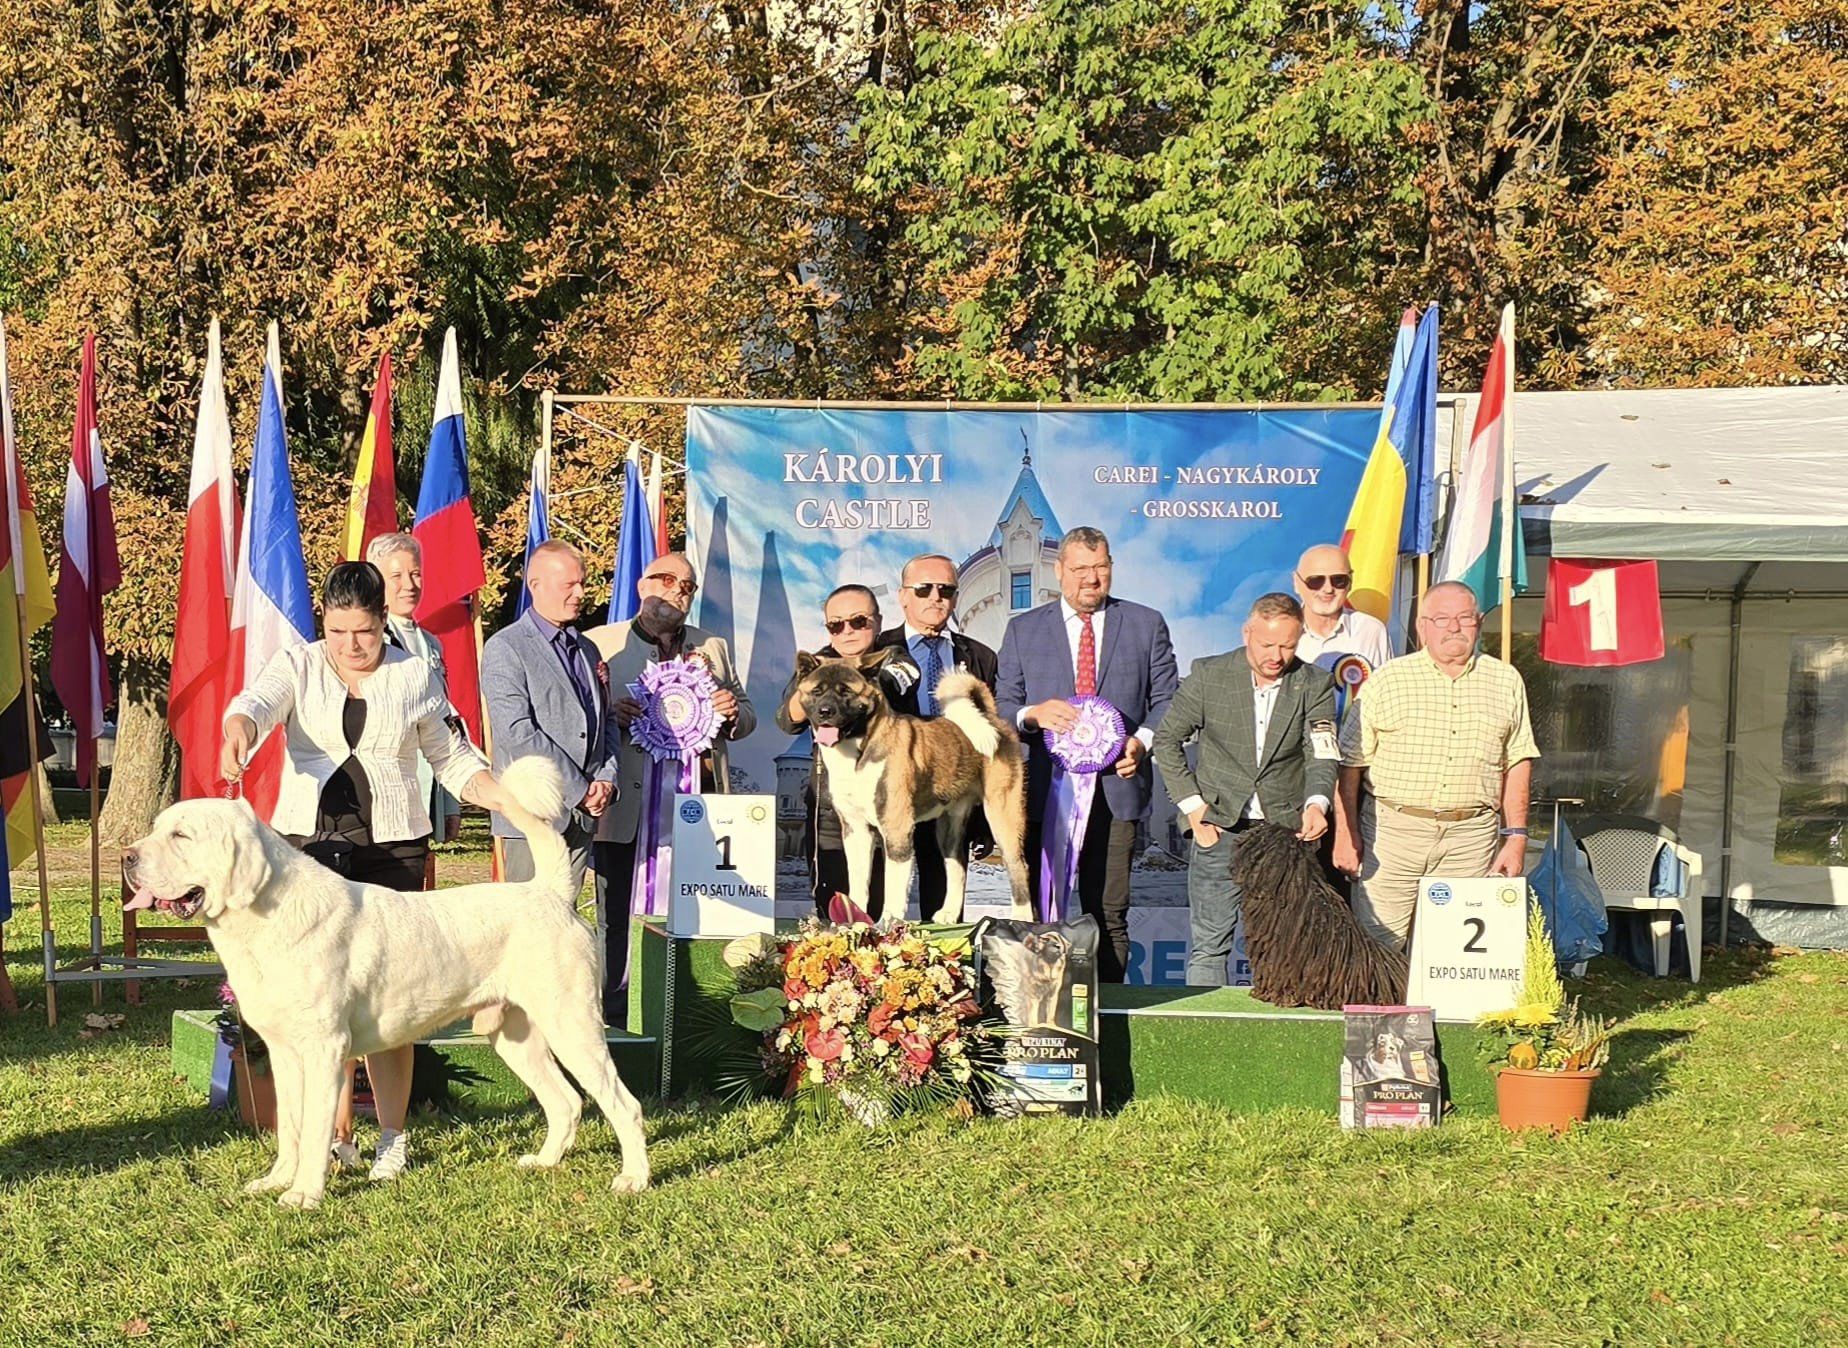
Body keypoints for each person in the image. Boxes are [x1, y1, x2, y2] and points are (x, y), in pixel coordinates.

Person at [221, 561, 509, 1181]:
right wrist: (239, 730)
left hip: (392, 848)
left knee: (391, 998)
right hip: (308, 852)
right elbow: (255, 705)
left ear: (385, 621)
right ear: (323, 620)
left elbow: (450, 753)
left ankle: (392, 1134)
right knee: (314, 1002)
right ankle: (332, 1137)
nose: (352, 645)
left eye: (366, 632)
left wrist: (497, 792)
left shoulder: (416, 674)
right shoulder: (297, 663)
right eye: (339, 631)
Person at [996, 526, 1179, 980]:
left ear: (1111, 568)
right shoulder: (1022, 630)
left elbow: (1170, 699)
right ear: (1059, 571)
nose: (1090, 579)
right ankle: (1037, 1019)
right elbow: (1000, 706)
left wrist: (1143, 741)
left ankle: (1109, 1019)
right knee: (1041, 915)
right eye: (1080, 569)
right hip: (1045, 795)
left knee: (1109, 914)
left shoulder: (1145, 623)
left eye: (1100, 568)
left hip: (1118, 792)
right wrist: (1032, 714)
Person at [585, 552, 754, 1024]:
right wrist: (609, 715)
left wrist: (731, 711)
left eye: (688, 585)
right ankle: (616, 1015)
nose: (678, 589)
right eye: (667, 579)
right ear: (642, 586)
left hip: (699, 813)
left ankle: (692, 1016)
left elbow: (748, 715)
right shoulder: (600, 643)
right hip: (626, 810)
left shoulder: (712, 646)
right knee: (615, 918)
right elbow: (580, 721)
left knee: (700, 916)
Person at [1332, 581, 1541, 951]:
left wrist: (1516, 837)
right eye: (1441, 618)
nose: (1454, 627)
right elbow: (1350, 765)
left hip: (1470, 838)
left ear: (1478, 622)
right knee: (1378, 947)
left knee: (1452, 956)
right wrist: (1346, 833)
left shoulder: (1506, 680)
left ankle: (1440, 1012)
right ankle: (1379, 1011)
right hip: (1393, 834)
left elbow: (1518, 760)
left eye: (1464, 617)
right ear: (1421, 626)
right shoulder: (1388, 680)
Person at [1152, 593, 1338, 987]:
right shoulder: (1208, 675)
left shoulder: (1315, 684)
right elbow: (1167, 741)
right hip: (1218, 828)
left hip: (1283, 833)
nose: (1277, 655)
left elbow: (1321, 753)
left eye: (1288, 645)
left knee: (1285, 945)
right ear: (1247, 632)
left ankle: (1277, 1035)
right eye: (1267, 644)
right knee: (1209, 947)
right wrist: (1192, 807)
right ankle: (1205, 1035)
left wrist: (1317, 803)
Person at [481, 541, 621, 898]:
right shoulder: (505, 647)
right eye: (569, 585)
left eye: (582, 583)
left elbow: (606, 721)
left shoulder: (588, 649)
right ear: (535, 585)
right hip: (534, 813)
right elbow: (517, 731)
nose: (580, 593)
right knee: (528, 932)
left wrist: (606, 779)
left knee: (563, 925)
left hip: (582, 816)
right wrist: (579, 789)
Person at [777, 584, 919, 918]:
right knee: (835, 910)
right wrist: (813, 680)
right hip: (830, 807)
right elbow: (788, 718)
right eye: (836, 624)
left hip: (889, 800)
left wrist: (849, 672)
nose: (847, 630)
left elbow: (896, 683)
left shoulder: (895, 656)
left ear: (878, 621)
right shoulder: (816, 662)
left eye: (858, 621)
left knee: (886, 913)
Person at [875, 553, 999, 919]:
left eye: (946, 589)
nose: (936, 597)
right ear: (902, 596)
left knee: (945, 917)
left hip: (951, 793)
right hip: (890, 794)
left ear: (956, 598)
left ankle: (945, 977)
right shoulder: (875, 651)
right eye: (924, 588)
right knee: (882, 915)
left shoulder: (981, 657)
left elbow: (991, 733)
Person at [1291, 542, 1394, 886]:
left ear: (1350, 581)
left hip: (1358, 779)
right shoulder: (1283, 633)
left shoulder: (1372, 631)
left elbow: (1385, 705)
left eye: (1338, 580)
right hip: (1297, 780)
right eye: (1316, 581)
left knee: (1352, 889)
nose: (1327, 589)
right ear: (1297, 583)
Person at [365, 532, 460, 852]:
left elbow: (443, 721)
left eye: (415, 573)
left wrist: (450, 804)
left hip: (425, 786)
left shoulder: (431, 644)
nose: (409, 584)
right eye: (396, 575)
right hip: (383, 797)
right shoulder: (366, 643)